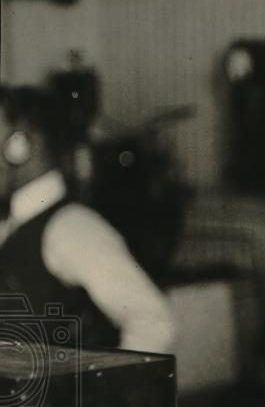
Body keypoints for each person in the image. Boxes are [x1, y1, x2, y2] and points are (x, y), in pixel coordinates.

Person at [0, 85, 176, 353]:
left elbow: (154, 322)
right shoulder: (11, 226)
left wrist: (104, 391)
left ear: (22, 144)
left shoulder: (70, 228)